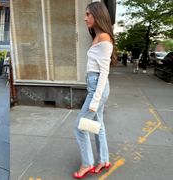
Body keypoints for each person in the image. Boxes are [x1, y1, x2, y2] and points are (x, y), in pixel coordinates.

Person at [73, 2, 117, 179]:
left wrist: (95, 99)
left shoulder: (105, 37)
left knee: (79, 127)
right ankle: (103, 160)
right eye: (85, 14)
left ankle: (87, 164)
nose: (85, 18)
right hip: (94, 85)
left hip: (98, 87)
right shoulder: (98, 36)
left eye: (88, 14)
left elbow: (104, 72)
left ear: (98, 15)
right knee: (98, 126)